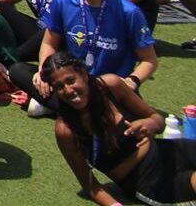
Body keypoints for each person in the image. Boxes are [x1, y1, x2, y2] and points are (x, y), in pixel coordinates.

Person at [10, 0, 156, 115]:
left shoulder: (129, 12)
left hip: (111, 86)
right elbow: (49, 43)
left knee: (126, 119)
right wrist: (44, 70)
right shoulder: (63, 1)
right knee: (18, 70)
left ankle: (66, 109)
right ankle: (85, 112)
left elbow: (149, 60)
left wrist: (132, 81)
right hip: (72, 84)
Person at [45, 52, 196, 206]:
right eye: (59, 87)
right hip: (149, 181)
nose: (68, 90)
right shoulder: (66, 130)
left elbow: (157, 119)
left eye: (71, 81)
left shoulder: (111, 86)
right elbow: (90, 185)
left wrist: (149, 124)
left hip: (169, 150)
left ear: (83, 74)